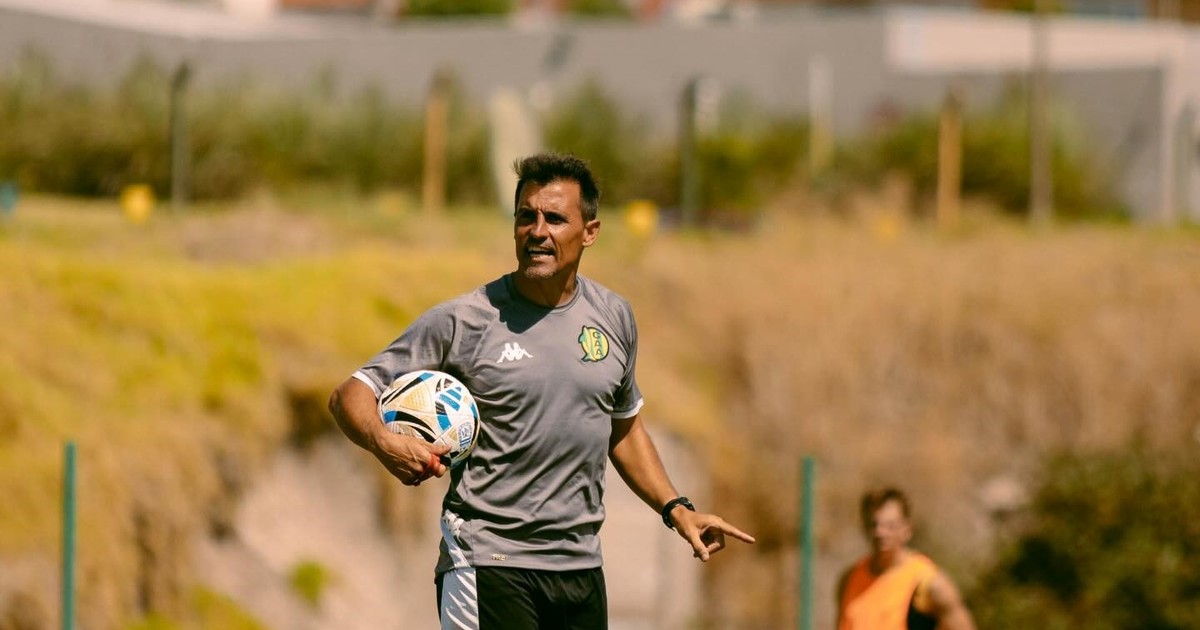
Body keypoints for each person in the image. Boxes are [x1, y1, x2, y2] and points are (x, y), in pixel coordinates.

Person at [328, 152, 755, 629]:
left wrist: (677, 509)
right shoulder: (465, 320)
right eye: (525, 217)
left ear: (590, 231)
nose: (537, 231)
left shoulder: (614, 316)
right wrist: (383, 442)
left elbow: (623, 428)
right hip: (488, 561)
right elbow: (350, 394)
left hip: (580, 567)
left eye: (554, 218)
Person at [836, 487, 976, 630]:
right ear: (864, 528)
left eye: (890, 526)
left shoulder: (928, 584)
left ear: (907, 530)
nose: (880, 533)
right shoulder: (850, 579)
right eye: (874, 525)